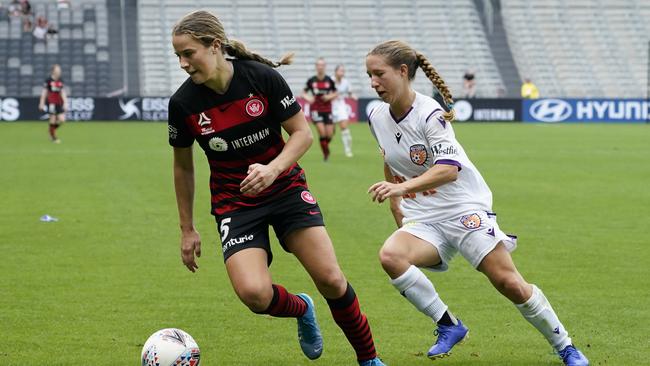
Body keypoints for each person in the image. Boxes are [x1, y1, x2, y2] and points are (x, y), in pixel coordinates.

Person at [168, 10, 385, 366]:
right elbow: (182, 166)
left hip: (285, 189)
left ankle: (369, 359)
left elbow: (301, 133)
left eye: (188, 53)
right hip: (234, 203)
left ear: (214, 46)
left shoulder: (261, 78)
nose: (182, 63)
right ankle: (302, 308)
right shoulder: (183, 104)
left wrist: (273, 169)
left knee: (331, 278)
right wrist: (186, 228)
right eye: (177, 55)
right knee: (254, 294)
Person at [364, 40, 589, 366]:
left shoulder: (430, 114)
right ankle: (449, 326)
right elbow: (390, 157)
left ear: (402, 72)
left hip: (463, 208)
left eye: (379, 74)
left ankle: (566, 347)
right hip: (424, 216)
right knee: (391, 256)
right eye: (369, 75)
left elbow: (448, 171)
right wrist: (395, 203)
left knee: (508, 282)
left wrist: (399, 190)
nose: (373, 82)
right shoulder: (376, 116)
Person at [302, 58, 337, 161]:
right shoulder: (311, 80)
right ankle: (326, 155)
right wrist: (308, 98)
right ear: (316, 67)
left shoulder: (329, 80)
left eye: (322, 65)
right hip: (316, 109)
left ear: (325, 66)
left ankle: (325, 147)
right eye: (318, 65)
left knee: (329, 135)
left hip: (327, 109)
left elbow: (335, 92)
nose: (320, 67)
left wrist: (329, 97)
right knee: (322, 133)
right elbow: (303, 93)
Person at [332, 64, 356, 158]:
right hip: (330, 106)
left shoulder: (345, 82)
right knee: (330, 133)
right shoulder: (330, 80)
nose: (342, 73)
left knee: (344, 128)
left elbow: (350, 93)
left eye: (343, 71)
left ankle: (347, 150)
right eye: (340, 71)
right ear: (336, 72)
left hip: (340, 105)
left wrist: (353, 96)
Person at [39, 64, 67, 143]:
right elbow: (44, 93)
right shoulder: (48, 80)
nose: (59, 71)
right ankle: (53, 137)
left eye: (59, 70)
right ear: (53, 71)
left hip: (58, 103)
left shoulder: (60, 80)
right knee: (53, 118)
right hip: (51, 102)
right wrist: (41, 102)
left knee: (62, 120)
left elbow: (62, 92)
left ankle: (51, 131)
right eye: (57, 70)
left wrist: (65, 102)